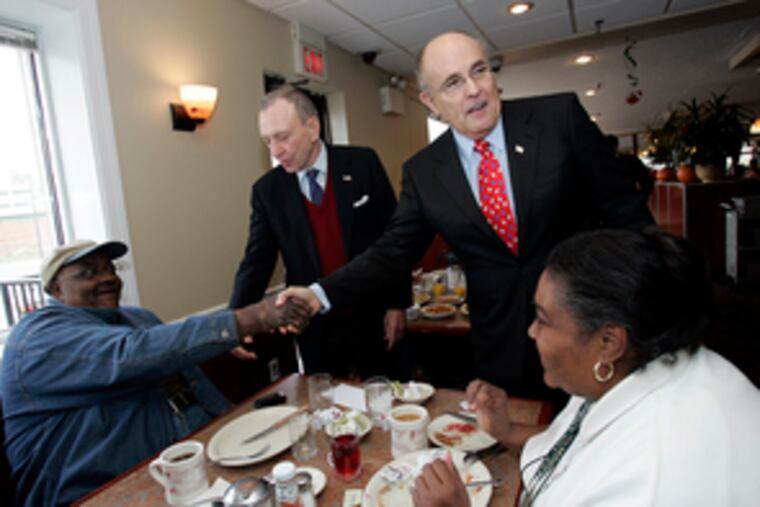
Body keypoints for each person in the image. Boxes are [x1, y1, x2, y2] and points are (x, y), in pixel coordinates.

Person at [280, 32, 653, 398]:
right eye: (454, 83)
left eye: (480, 71)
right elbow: (390, 253)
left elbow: (627, 213)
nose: (474, 90)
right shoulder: (423, 172)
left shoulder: (559, 118)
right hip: (502, 347)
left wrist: (660, 303)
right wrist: (318, 294)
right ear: (430, 102)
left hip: (586, 332)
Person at [413, 228, 760, 507]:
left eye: (544, 321)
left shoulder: (653, 477)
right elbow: (579, 444)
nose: (532, 332)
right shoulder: (634, 364)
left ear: (608, 342)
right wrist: (506, 430)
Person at [0, 239, 309, 506]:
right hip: (103, 489)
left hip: (194, 460)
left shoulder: (137, 317)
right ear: (55, 288)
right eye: (89, 273)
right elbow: (130, 354)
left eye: (111, 268)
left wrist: (230, 425)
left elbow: (189, 378)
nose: (107, 278)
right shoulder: (36, 336)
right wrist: (255, 317)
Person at [229, 85, 410, 379]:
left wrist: (397, 303)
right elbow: (257, 260)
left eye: (283, 137)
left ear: (312, 127)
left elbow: (394, 239)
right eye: (267, 141)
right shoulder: (267, 191)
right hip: (314, 327)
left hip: (373, 314)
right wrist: (233, 320)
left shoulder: (363, 163)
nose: (275, 151)